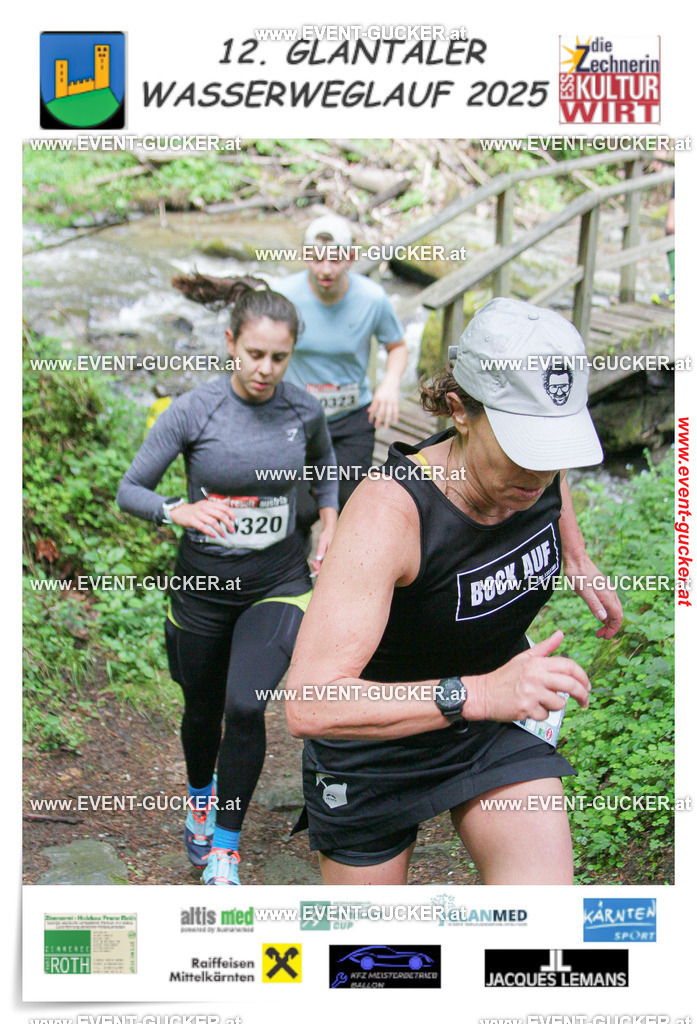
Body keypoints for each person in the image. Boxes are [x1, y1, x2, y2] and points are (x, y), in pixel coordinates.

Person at [285, 298, 623, 885]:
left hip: (487, 722)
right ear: (459, 410)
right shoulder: (391, 514)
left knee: (542, 925)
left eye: (556, 447)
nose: (541, 475)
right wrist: (482, 692)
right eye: (523, 447)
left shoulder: (536, 466)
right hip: (375, 745)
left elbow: (554, 483)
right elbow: (310, 703)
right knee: (376, 968)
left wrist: (576, 552)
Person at [116, 282, 339, 885]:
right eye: (254, 354)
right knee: (203, 707)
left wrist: (328, 522)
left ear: (292, 354)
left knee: (246, 706)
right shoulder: (194, 410)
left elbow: (325, 472)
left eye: (279, 357)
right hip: (202, 589)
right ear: (230, 344)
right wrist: (176, 511)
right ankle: (199, 795)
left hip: (279, 582)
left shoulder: (304, 410)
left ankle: (225, 848)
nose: (265, 370)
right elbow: (129, 489)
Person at [274, 214, 408, 521]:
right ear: (306, 255)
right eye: (317, 258)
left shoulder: (372, 298)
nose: (325, 270)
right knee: (299, 509)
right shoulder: (284, 296)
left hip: (352, 419)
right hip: (296, 417)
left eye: (335, 260)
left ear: (350, 257)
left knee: (349, 507)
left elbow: (397, 346)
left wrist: (389, 384)